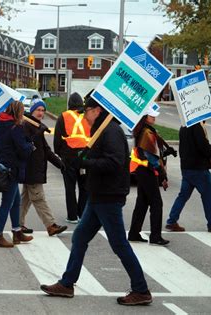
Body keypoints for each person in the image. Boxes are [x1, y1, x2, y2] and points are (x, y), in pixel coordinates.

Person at [41, 98, 152, 306]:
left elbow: (115, 161)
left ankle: (141, 289)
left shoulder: (111, 131)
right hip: (97, 195)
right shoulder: (101, 130)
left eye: (87, 112)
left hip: (109, 197)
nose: (84, 116)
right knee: (80, 237)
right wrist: (81, 158)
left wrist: (85, 162)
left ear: (97, 110)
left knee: (119, 244)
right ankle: (67, 283)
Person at [165, 121, 211, 233]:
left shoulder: (183, 126)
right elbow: (202, 144)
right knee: (207, 196)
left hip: (186, 167)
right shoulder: (196, 126)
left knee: (183, 195)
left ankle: (172, 221)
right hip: (198, 167)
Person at [128, 107, 176, 246]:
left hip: (143, 172)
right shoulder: (146, 132)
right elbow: (152, 157)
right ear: (145, 117)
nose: (154, 117)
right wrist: (162, 174)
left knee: (142, 203)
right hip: (147, 172)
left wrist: (166, 153)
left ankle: (134, 233)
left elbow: (151, 153)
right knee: (156, 203)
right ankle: (155, 236)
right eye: (151, 116)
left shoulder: (144, 130)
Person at [20, 99, 68, 236]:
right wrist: (39, 130)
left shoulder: (37, 126)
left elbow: (46, 150)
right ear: (32, 111)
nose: (41, 113)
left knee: (25, 199)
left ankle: (18, 225)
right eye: (38, 110)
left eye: (42, 110)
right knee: (39, 198)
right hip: (31, 169)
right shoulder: (27, 126)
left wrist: (59, 163)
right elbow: (28, 146)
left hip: (36, 169)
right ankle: (51, 225)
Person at [0, 101, 35, 248]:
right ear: (18, 112)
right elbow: (23, 149)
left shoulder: (0, 125)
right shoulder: (15, 128)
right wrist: (31, 145)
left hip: (3, 167)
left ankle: (17, 232)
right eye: (22, 112)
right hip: (11, 170)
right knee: (7, 203)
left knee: (16, 202)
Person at [53, 92, 90, 224]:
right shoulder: (87, 115)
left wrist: (60, 154)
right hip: (85, 157)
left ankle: (72, 216)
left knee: (70, 187)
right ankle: (82, 213)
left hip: (68, 157)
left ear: (69, 105)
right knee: (84, 187)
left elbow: (57, 139)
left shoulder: (63, 116)